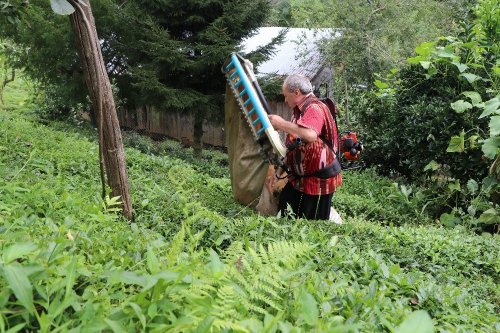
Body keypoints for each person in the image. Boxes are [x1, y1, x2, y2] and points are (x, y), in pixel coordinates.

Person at [267, 74, 342, 220]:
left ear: (296, 92)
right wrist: (278, 173)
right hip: (300, 178)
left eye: (286, 95)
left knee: (314, 223)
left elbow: (311, 135)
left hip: (319, 181)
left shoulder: (314, 108)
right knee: (285, 210)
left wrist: (281, 124)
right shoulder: (299, 112)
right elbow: (294, 147)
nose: (285, 99)